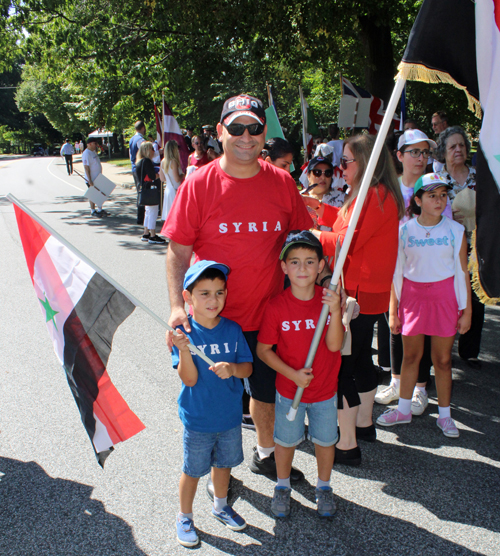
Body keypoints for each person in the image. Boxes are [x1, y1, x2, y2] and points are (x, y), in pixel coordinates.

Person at [162, 93, 312, 486]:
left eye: (255, 128)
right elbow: (177, 252)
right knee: (216, 398)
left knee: (265, 392)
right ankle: (218, 469)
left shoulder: (282, 183)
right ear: (220, 132)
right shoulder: (199, 184)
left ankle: (265, 455)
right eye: (237, 128)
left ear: (264, 133)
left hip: (267, 315)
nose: (246, 136)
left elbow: (302, 245)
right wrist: (178, 307)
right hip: (213, 317)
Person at [304, 134, 404, 465]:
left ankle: (346, 444)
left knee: (343, 364)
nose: (340, 168)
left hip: (360, 292)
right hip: (366, 290)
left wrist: (314, 234)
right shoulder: (373, 194)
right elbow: (348, 223)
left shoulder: (374, 195)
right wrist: (321, 209)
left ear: (365, 161)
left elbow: (347, 240)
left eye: (346, 161)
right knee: (360, 358)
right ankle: (362, 425)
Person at [256, 231, 344, 518]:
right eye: (294, 262)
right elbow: (264, 350)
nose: (302, 268)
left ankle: (324, 487)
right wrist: (292, 375)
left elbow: (334, 344)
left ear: (321, 265)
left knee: (325, 440)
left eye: (309, 261)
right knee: (285, 441)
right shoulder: (276, 306)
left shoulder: (327, 301)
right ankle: (282, 486)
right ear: (284, 267)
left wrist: (334, 309)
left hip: (324, 390)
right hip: (288, 390)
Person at [377, 174, 471, 438]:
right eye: (432, 195)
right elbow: (397, 273)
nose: (439, 200)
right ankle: (403, 410)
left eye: (443, 195)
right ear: (418, 200)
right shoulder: (404, 231)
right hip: (413, 299)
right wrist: (393, 312)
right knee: (410, 357)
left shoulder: (455, 230)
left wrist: (467, 311)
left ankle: (445, 416)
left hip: (445, 299)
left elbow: (463, 272)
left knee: (441, 360)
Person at [169, 260, 253, 547]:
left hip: (229, 417)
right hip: (199, 418)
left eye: (219, 292)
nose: (213, 299)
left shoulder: (232, 329)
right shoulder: (184, 335)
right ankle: (184, 516)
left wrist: (232, 368)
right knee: (192, 470)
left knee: (224, 465)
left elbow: (247, 369)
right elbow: (189, 380)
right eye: (204, 293)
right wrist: (185, 353)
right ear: (188, 297)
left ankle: (220, 505)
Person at [375, 129, 442, 414]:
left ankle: (420, 388)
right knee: (395, 323)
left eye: (425, 152)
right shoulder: (388, 190)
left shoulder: (436, 187)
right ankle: (396, 381)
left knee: (423, 328)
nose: (420, 158)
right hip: (393, 267)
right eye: (414, 152)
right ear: (399, 156)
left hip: (425, 271)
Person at [435, 126, 484, 368]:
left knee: (474, 295)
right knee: (445, 295)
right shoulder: (436, 181)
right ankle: (442, 348)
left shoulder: (480, 176)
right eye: (452, 146)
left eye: (462, 145)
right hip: (445, 246)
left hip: (476, 245)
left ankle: (470, 351)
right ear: (443, 152)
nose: (458, 150)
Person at [303, 157, 345, 231]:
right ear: (308, 176)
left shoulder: (344, 199)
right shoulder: (299, 198)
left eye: (327, 173)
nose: (323, 177)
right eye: (317, 172)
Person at [136, 141, 165, 244]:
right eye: (152, 149)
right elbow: (152, 176)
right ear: (147, 150)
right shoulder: (147, 161)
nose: (153, 151)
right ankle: (152, 235)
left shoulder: (139, 162)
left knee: (148, 211)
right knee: (153, 211)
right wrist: (158, 175)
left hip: (144, 189)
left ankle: (146, 232)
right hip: (151, 188)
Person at [82, 137, 108, 218]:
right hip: (92, 178)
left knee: (100, 194)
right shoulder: (86, 153)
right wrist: (89, 180)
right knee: (92, 195)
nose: (96, 145)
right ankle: (93, 210)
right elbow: (86, 167)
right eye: (94, 144)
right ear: (89, 144)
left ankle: (100, 209)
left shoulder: (93, 152)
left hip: (98, 177)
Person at [160, 140, 185, 222]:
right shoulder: (173, 161)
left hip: (168, 189)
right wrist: (184, 174)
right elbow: (177, 178)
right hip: (175, 189)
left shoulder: (163, 161)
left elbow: (162, 178)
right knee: (176, 215)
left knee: (169, 216)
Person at [129, 120, 146, 225]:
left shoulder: (132, 139)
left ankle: (141, 216)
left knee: (139, 190)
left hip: (134, 167)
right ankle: (141, 217)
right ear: (143, 128)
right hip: (140, 168)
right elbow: (145, 153)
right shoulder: (140, 140)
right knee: (142, 191)